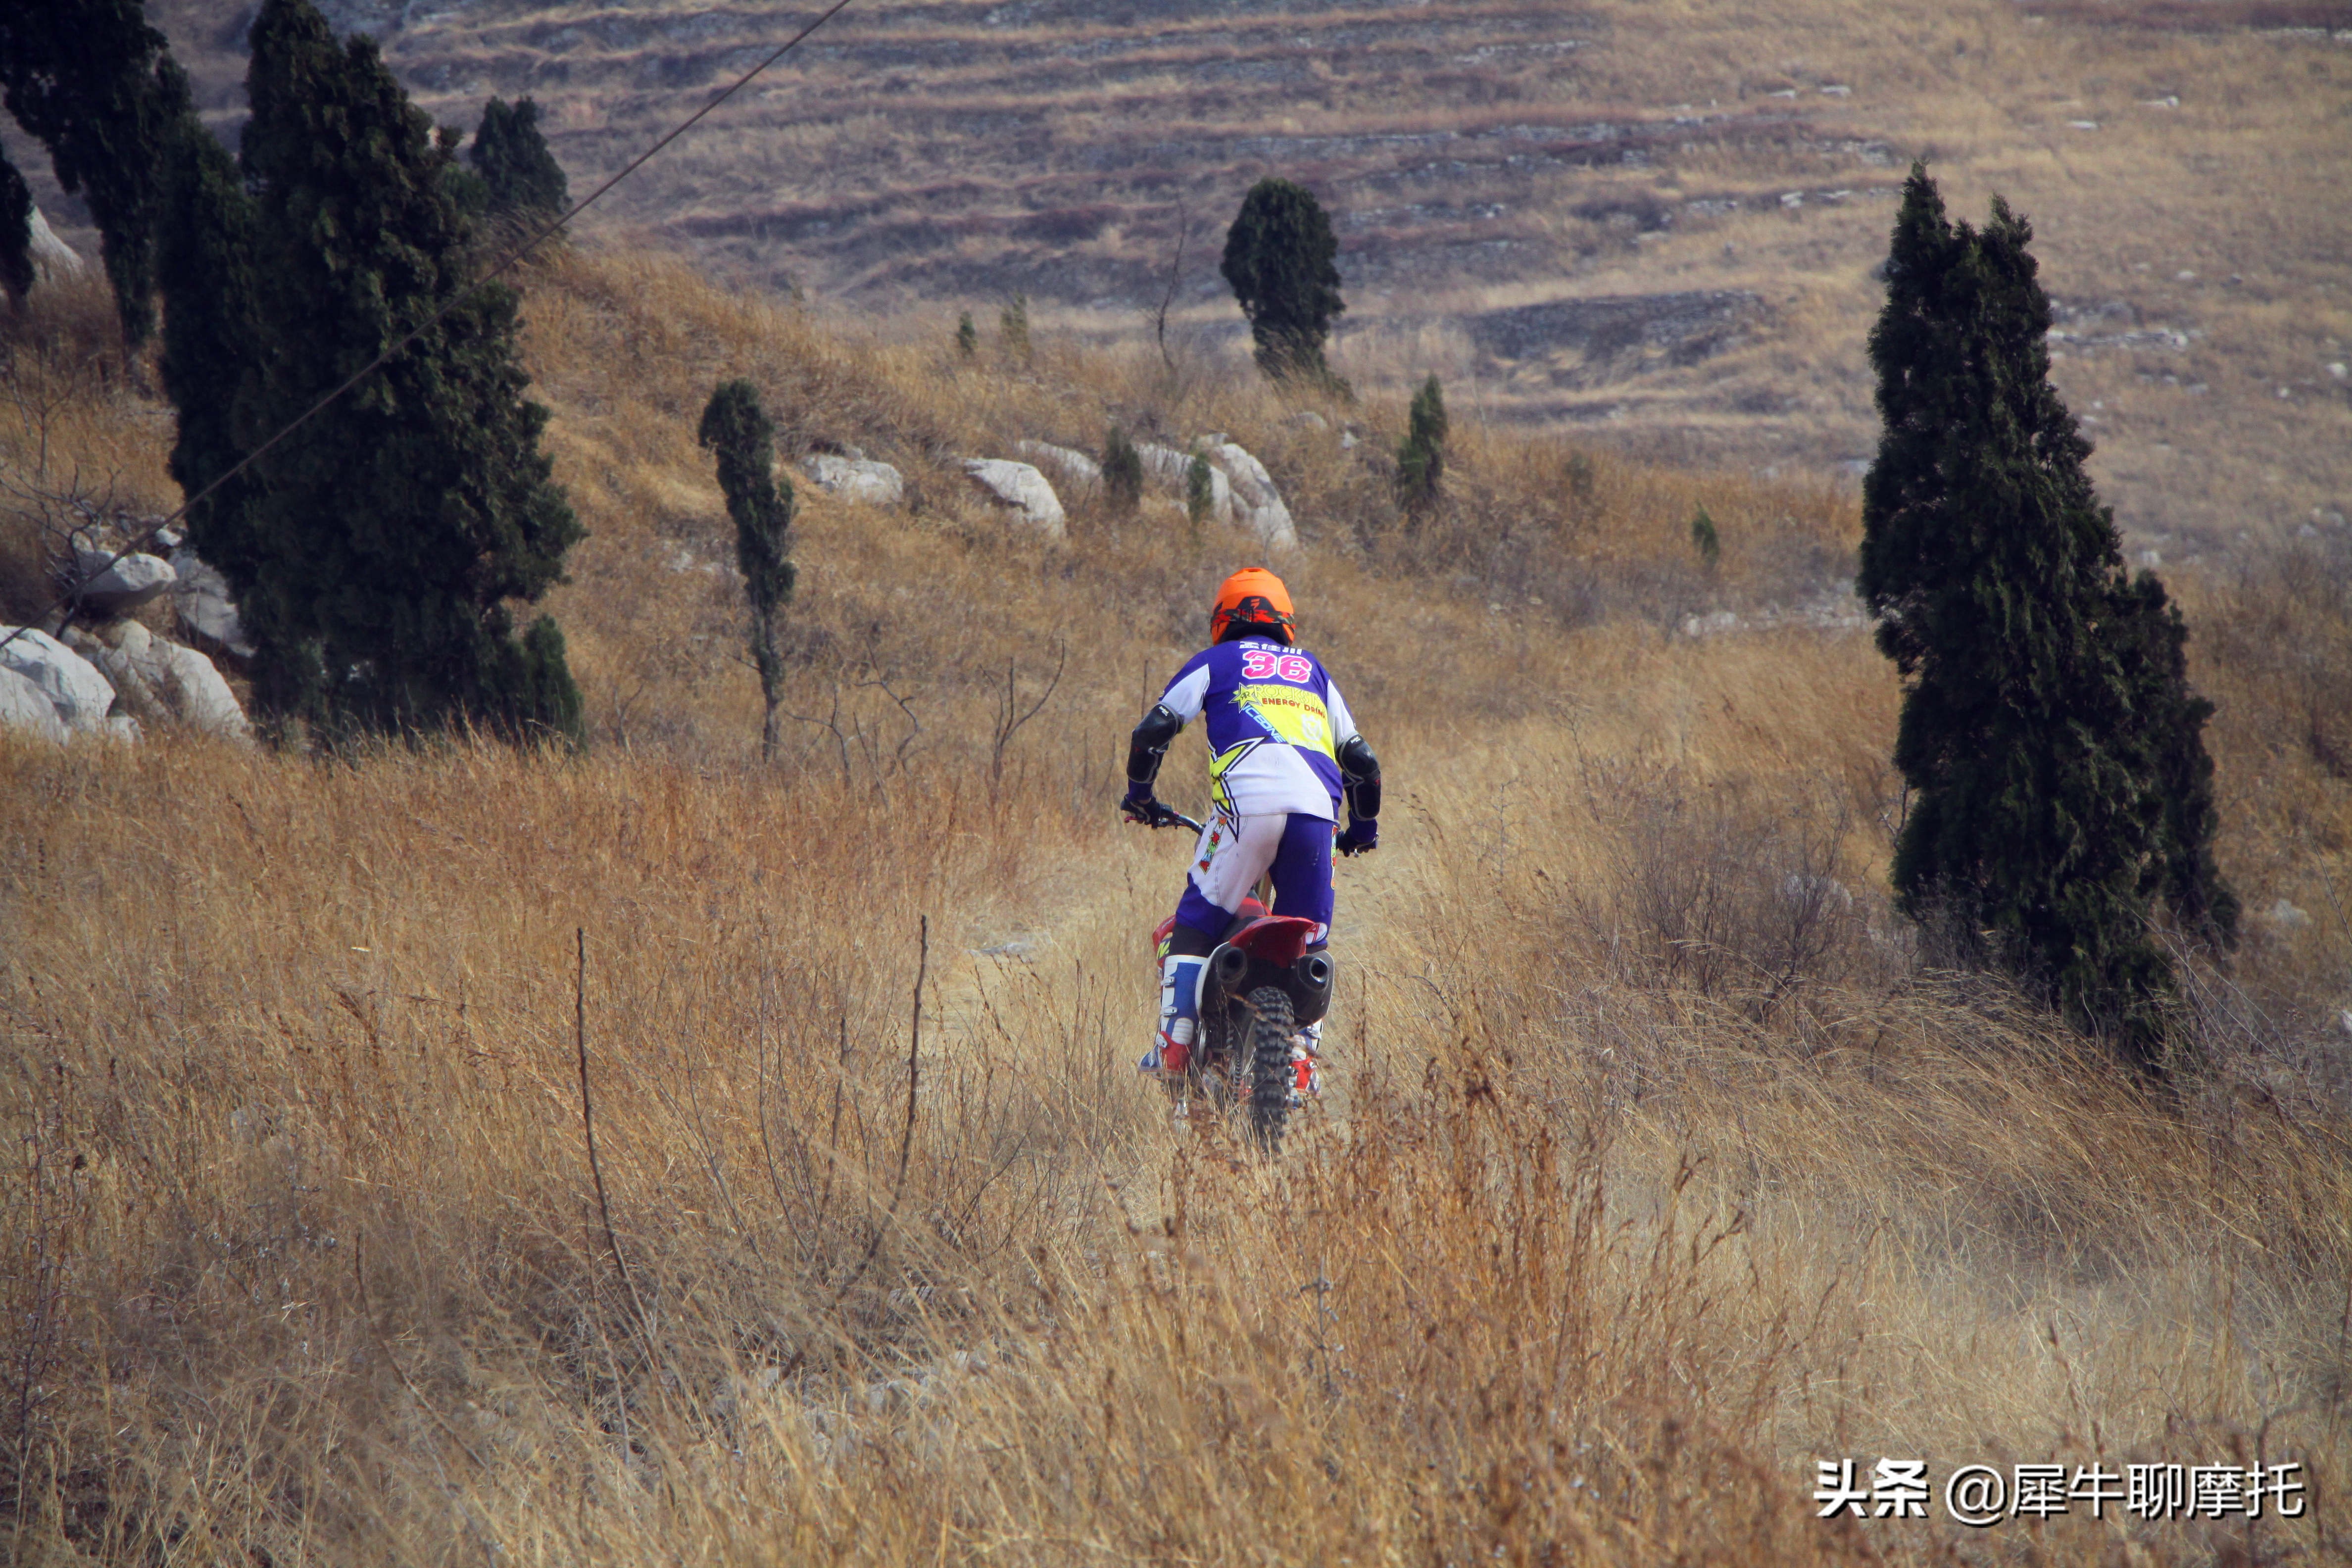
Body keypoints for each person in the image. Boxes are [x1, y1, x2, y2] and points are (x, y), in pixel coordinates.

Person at [1121, 567, 1380, 1086]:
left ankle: (1173, 1045)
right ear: (1285, 621)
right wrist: (1363, 829)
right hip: (1316, 818)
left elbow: (1154, 730)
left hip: (1245, 812)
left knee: (1196, 921)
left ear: (1222, 620)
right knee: (1310, 944)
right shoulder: (1313, 672)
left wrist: (1140, 796)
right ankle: (1301, 1063)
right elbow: (1362, 761)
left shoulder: (1214, 662)